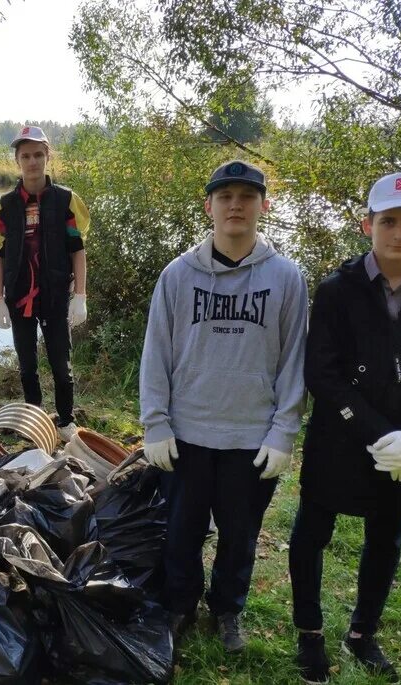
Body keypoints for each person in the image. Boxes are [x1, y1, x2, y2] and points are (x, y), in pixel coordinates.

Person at [115, 160, 309, 653]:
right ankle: (180, 605)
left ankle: (227, 610)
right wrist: (155, 424)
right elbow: (155, 355)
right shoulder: (177, 277)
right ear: (209, 206)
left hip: (251, 436)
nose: (236, 205)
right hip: (186, 433)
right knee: (180, 532)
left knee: (240, 536)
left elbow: (294, 363)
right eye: (226, 196)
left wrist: (283, 433)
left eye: (247, 196)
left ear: (264, 205)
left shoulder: (287, 278)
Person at [289, 173, 401, 684]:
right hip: (340, 437)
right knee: (310, 534)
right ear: (367, 224)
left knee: (386, 538)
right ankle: (310, 635)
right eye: (388, 221)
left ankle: (363, 633)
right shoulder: (337, 290)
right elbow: (321, 371)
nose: (399, 232)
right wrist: (374, 432)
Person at [0, 125, 90, 441]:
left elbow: (78, 250)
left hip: (57, 295)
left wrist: (81, 295)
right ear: (17, 160)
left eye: (38, 155)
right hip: (19, 297)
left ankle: (65, 421)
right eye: (25, 156)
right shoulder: (5, 206)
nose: (32, 161)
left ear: (47, 156)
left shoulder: (66, 201)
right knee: (27, 365)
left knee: (61, 363)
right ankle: (34, 419)